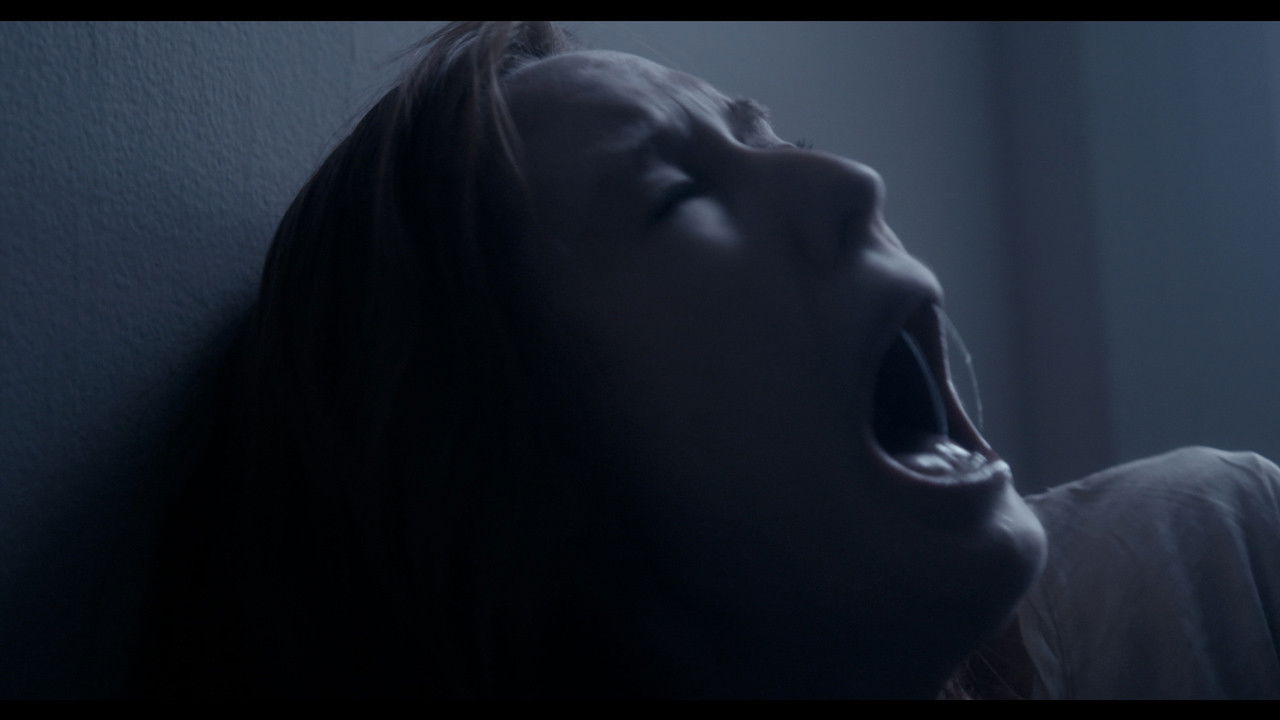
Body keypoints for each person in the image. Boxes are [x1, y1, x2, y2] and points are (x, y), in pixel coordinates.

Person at [136, 21, 1279, 699]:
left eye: (782, 140)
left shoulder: (1215, 563)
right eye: (674, 195)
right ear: (522, 503)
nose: (852, 184)